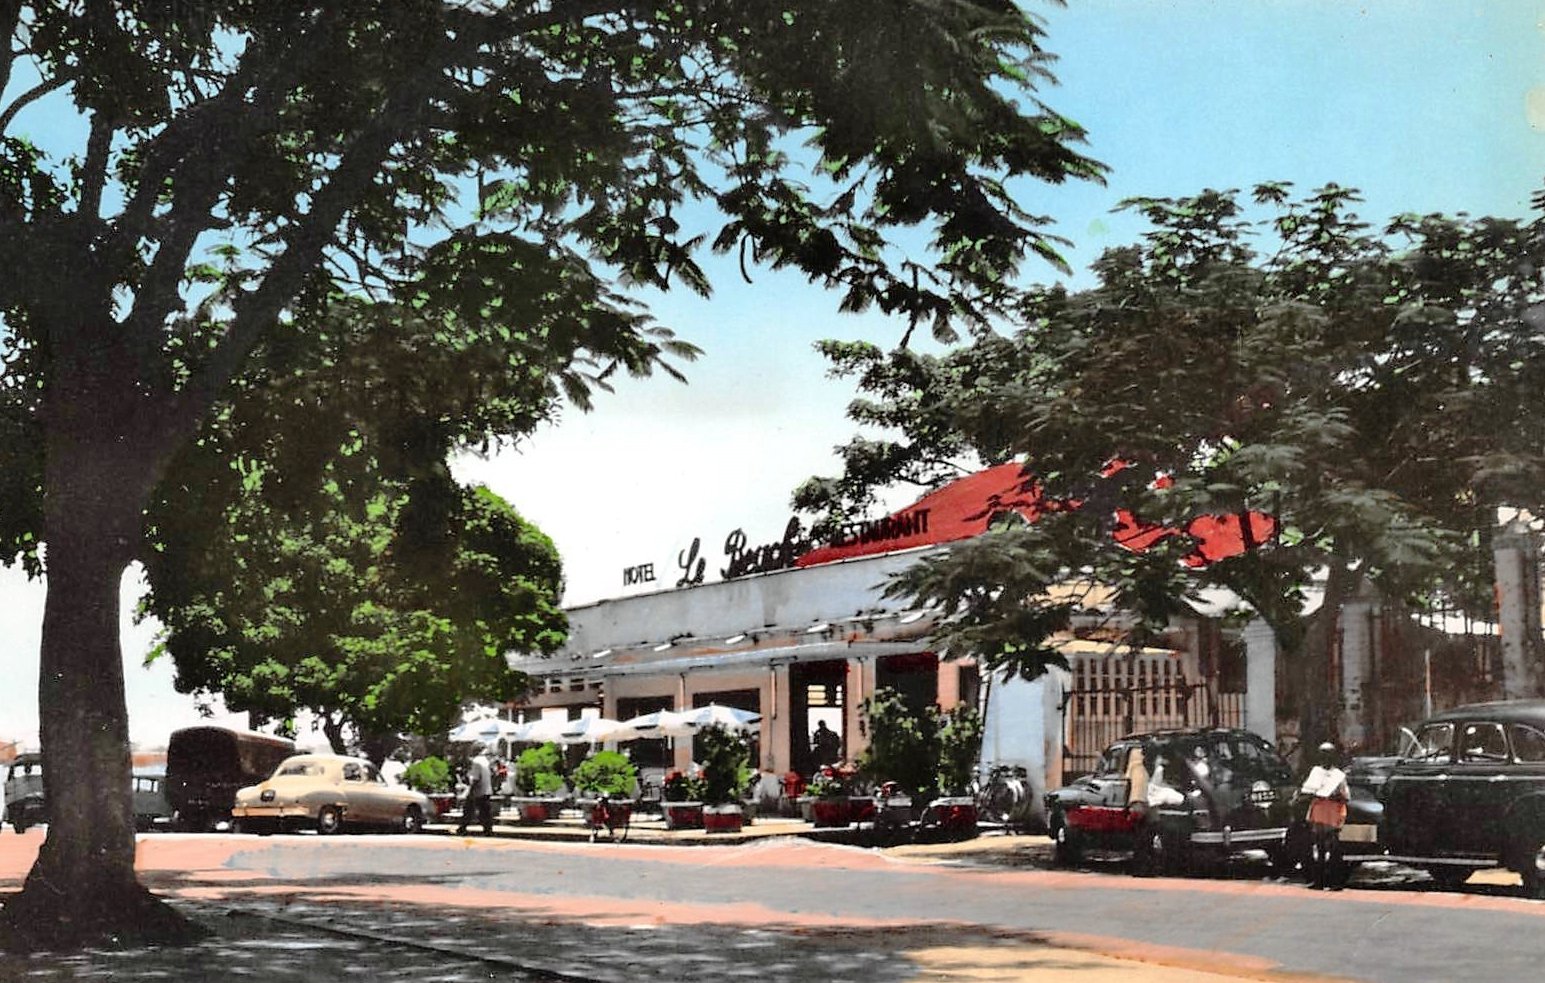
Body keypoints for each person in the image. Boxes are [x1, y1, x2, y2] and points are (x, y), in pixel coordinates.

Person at [1299, 741, 1349, 890]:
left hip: (1332, 815)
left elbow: (1346, 797)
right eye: (1322, 755)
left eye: (1327, 755)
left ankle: (1335, 882)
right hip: (1318, 814)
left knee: (1333, 849)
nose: (1324, 758)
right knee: (1319, 849)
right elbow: (1307, 792)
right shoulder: (1316, 772)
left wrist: (1332, 795)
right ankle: (1319, 881)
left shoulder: (1338, 775)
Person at [457, 749, 494, 836]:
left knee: (468, 810)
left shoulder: (476, 762)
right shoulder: (485, 761)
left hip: (478, 791)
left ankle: (462, 828)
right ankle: (488, 830)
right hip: (487, 790)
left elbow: (475, 779)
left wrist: (471, 792)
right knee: (485, 812)